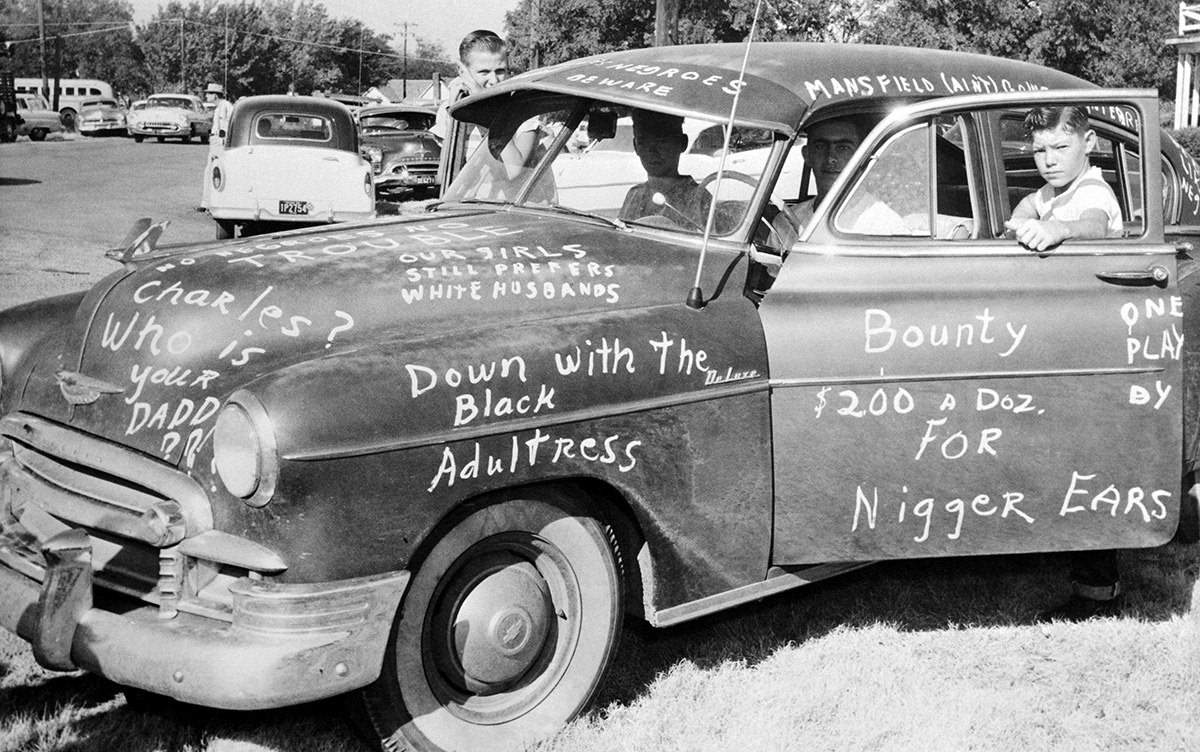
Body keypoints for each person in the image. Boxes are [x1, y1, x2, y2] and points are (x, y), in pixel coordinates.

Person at [1005, 105, 1123, 252]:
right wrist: (1021, 220)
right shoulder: (1056, 189)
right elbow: (1030, 201)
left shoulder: (1093, 189)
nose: (1049, 161)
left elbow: (1095, 226)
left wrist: (1058, 229)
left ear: (1088, 142)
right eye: (1040, 150)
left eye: (1061, 147)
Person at [782, 114, 907, 235]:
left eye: (843, 148)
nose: (831, 158)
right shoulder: (785, 222)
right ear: (807, 155)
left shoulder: (884, 225)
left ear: (863, 157)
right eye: (820, 146)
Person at [619, 109, 711, 228]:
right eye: (643, 142)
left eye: (661, 141)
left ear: (682, 143)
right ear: (635, 147)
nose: (651, 150)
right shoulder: (634, 195)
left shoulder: (699, 200)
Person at [433, 29, 509, 140]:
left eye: (500, 71)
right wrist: (454, 112)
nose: (494, 80)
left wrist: (481, 111)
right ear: (462, 71)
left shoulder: (521, 110)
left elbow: (514, 157)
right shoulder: (447, 108)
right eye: (484, 72)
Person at [200, 83, 234, 209]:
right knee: (208, 171)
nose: (206, 96)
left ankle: (213, 203)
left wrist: (222, 141)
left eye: (208, 93)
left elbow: (229, 125)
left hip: (220, 142)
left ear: (214, 95)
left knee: (216, 171)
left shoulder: (226, 106)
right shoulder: (218, 107)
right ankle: (207, 202)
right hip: (215, 140)